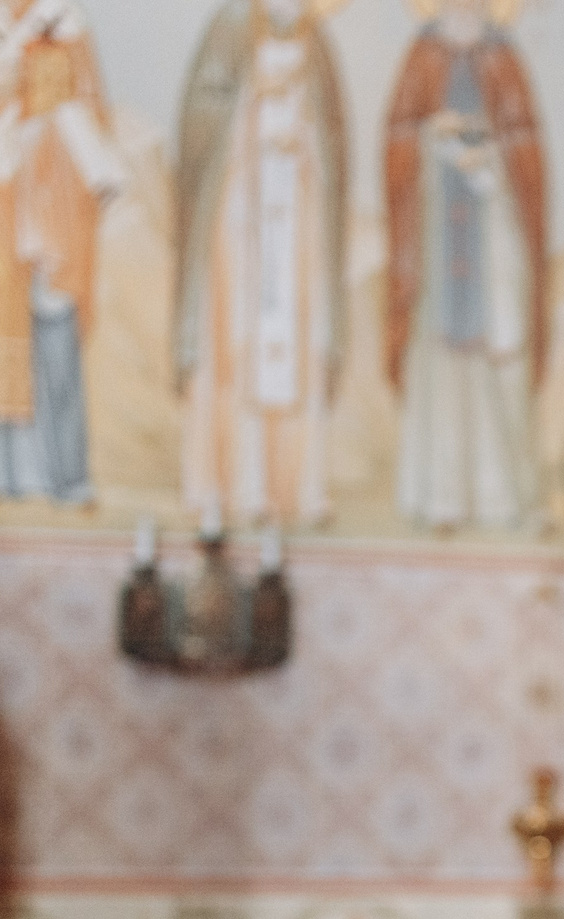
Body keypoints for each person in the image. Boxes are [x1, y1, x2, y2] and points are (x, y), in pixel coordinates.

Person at [0, 0, 124, 502]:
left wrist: (46, 114)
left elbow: (92, 112)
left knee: (51, 334)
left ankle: (53, 475)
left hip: (45, 205)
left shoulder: (63, 25)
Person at [175, 0, 348, 528]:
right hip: (239, 210)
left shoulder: (317, 41)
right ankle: (233, 487)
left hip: (297, 212)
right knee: (234, 343)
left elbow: (334, 135)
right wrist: (252, 108)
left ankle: (297, 489)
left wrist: (303, 132)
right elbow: (201, 118)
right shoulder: (229, 27)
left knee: (300, 344)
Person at [384, 2, 549, 533]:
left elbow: (525, 144)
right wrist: (433, 138)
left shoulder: (504, 56)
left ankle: (501, 498)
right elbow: (398, 135)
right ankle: (441, 497)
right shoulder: (422, 54)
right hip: (436, 234)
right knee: (441, 367)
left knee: (497, 360)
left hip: (491, 231)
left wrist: (491, 154)